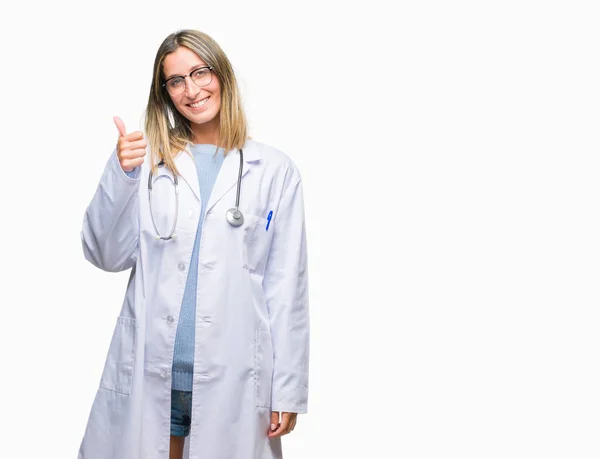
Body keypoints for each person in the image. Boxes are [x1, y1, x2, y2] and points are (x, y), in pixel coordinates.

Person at [77, 29, 310, 459]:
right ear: (164, 93)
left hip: (234, 376)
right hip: (152, 374)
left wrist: (289, 389)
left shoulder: (274, 170)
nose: (192, 89)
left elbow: (285, 288)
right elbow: (104, 254)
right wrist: (122, 175)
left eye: (201, 72)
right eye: (176, 80)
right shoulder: (147, 163)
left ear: (221, 75)